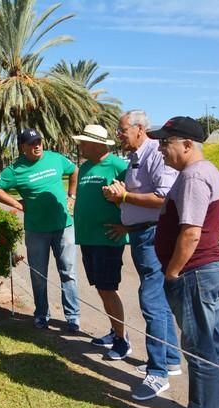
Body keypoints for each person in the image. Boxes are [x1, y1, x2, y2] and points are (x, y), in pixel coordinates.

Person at [148, 116, 219, 408]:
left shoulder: (195, 177)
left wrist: (172, 272)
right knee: (213, 346)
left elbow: (191, 234)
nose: (160, 149)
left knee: (200, 350)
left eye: (165, 143)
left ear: (187, 145)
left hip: (194, 274)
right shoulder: (197, 173)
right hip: (202, 272)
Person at [103, 110, 182, 401]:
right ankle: (170, 360)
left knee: (151, 301)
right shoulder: (136, 157)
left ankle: (158, 372)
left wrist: (123, 197)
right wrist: (122, 201)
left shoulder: (155, 154)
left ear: (139, 129)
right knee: (158, 301)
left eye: (122, 130)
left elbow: (161, 198)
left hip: (153, 235)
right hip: (140, 234)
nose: (119, 135)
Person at [0, 128, 80, 331]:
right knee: (39, 275)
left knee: (68, 272)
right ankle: (41, 315)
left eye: (38, 141)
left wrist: (71, 196)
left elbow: (74, 171)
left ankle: (73, 318)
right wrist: (17, 204)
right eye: (31, 143)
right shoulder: (16, 170)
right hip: (37, 230)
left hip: (64, 226)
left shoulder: (55, 159)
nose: (36, 145)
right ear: (23, 147)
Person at [71, 125, 131, 360]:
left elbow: (135, 199)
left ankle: (122, 340)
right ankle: (114, 331)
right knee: (101, 289)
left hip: (108, 240)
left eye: (84, 142)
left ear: (98, 144)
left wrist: (126, 226)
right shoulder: (86, 167)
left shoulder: (118, 166)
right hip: (88, 239)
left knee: (108, 289)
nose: (80, 146)